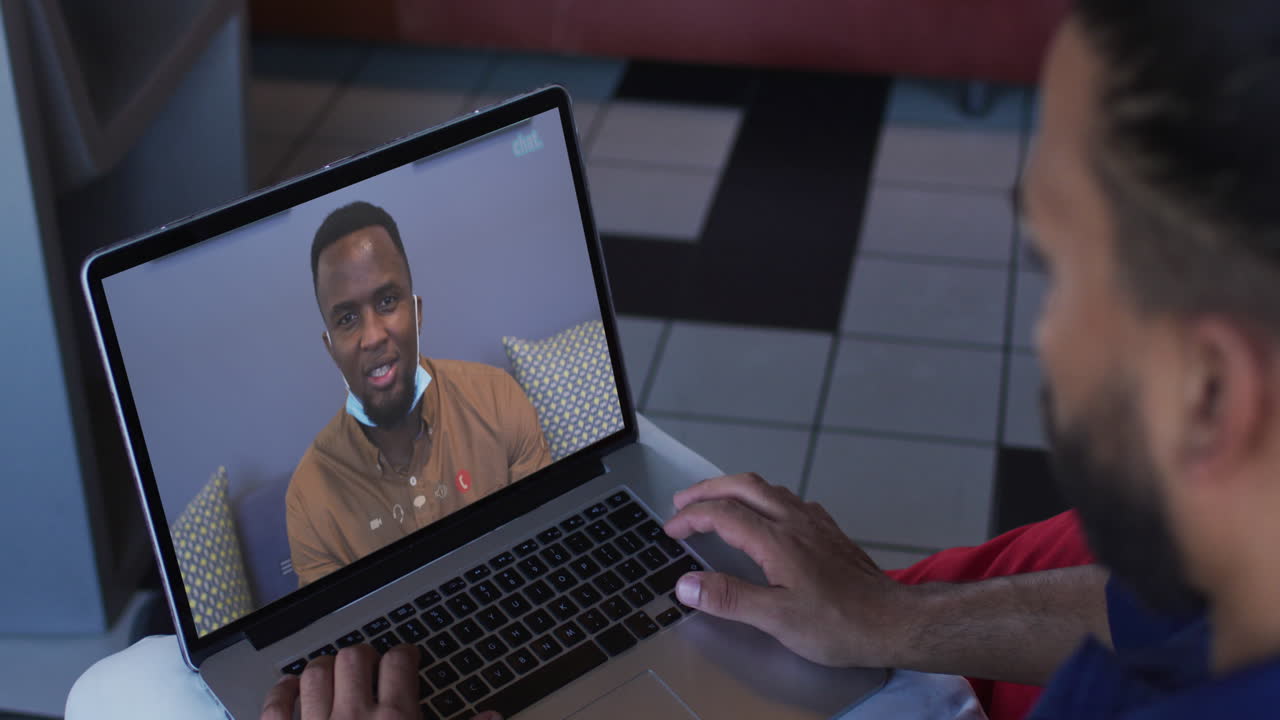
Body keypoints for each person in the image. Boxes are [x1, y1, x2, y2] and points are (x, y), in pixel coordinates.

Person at [265, 0, 1280, 717]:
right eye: (348, 318)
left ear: (1212, 392)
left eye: (1056, 271)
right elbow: (1166, 618)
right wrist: (898, 621)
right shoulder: (1235, 574)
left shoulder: (496, 399)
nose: (1041, 331)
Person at [286, 202, 552, 587]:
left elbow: (548, 543)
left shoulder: (498, 401)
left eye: (387, 301)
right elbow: (335, 637)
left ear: (417, 313)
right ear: (330, 348)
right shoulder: (309, 499)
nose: (373, 336)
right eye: (347, 318)